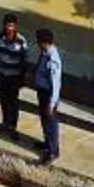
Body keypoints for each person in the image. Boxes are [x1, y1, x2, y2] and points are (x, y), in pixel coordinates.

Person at [0, 16, 34, 135]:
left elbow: (25, 63)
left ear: (15, 27)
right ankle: (4, 123)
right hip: (1, 75)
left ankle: (12, 127)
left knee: (13, 103)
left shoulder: (21, 41)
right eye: (7, 25)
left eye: (11, 26)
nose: (9, 28)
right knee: (3, 101)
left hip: (14, 78)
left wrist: (22, 80)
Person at [33, 28, 66, 165]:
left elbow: (56, 83)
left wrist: (51, 104)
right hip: (42, 91)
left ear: (45, 43)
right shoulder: (45, 53)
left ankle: (53, 151)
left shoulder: (53, 59)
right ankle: (47, 143)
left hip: (49, 95)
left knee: (50, 122)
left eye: (39, 42)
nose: (38, 44)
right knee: (44, 120)